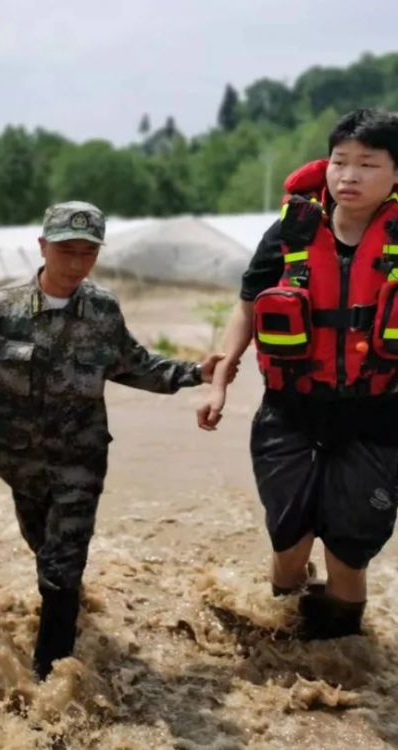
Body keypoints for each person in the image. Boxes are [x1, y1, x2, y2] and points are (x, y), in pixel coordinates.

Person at [0, 201, 224, 679]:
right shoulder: (0, 309)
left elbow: (135, 364)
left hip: (80, 461)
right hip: (20, 462)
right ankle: (63, 601)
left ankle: (53, 677)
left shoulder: (103, 310)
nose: (76, 262)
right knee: (41, 545)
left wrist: (195, 373)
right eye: (66, 249)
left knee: (63, 566)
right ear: (43, 247)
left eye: (88, 252)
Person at [198, 108, 398, 640]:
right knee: (289, 545)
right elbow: (248, 305)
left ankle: (341, 660)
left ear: (396, 174)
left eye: (368, 164)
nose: (349, 175)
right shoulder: (292, 229)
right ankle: (284, 641)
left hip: (376, 415)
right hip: (291, 409)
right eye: (340, 162)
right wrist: (221, 378)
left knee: (349, 557)